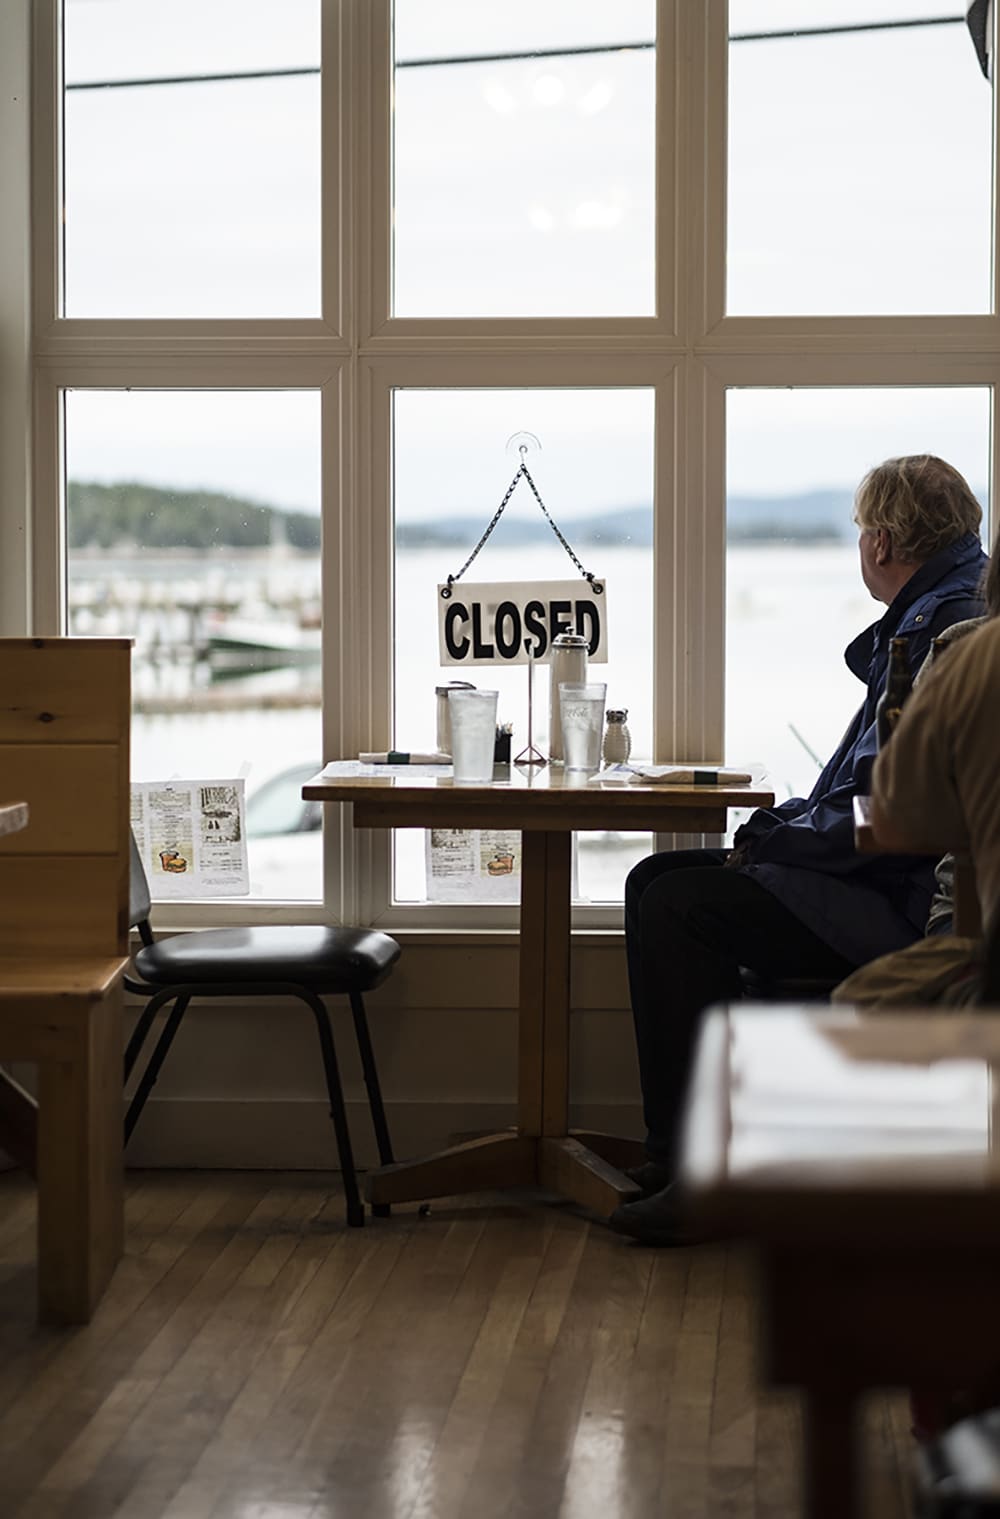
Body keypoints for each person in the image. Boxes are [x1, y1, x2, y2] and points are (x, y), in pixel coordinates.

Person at [611, 454, 988, 1245]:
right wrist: (783, 833)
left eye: (861, 531)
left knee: (679, 903)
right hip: (890, 878)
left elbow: (889, 811)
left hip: (909, 905)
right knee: (654, 879)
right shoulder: (944, 611)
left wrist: (779, 837)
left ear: (882, 542)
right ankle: (677, 1153)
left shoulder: (940, 631)